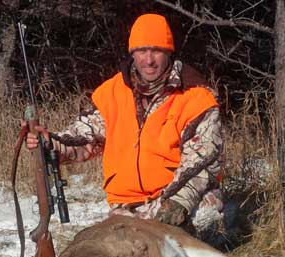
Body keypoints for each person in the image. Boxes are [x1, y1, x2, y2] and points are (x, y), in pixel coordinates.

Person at [26, 13, 224, 240]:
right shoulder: (114, 92)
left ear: (169, 52)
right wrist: (50, 143)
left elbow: (201, 164)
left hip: (182, 200)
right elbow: (84, 138)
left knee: (192, 232)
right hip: (130, 206)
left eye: (157, 50)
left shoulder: (195, 97)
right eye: (141, 51)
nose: (148, 60)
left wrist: (171, 210)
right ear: (132, 53)